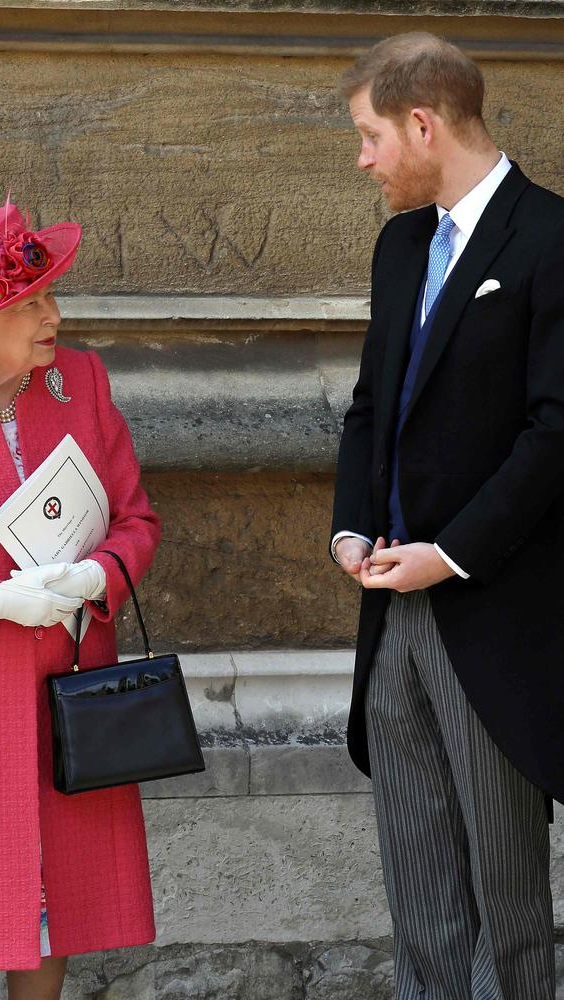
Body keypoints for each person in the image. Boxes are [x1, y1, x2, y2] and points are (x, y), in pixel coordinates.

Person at [331, 32, 564, 1000]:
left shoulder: (550, 241)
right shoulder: (398, 246)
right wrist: (350, 528)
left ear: (421, 123)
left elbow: (556, 432)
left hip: (492, 610)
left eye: (369, 134)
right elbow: (370, 408)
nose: (363, 158)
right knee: (417, 879)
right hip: (389, 610)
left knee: (505, 903)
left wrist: (451, 554)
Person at [0, 201, 161, 999]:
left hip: (64, 686)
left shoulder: (79, 379)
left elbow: (135, 520)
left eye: (53, 296)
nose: (56, 316)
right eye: (33, 304)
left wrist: (100, 578)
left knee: (56, 905)